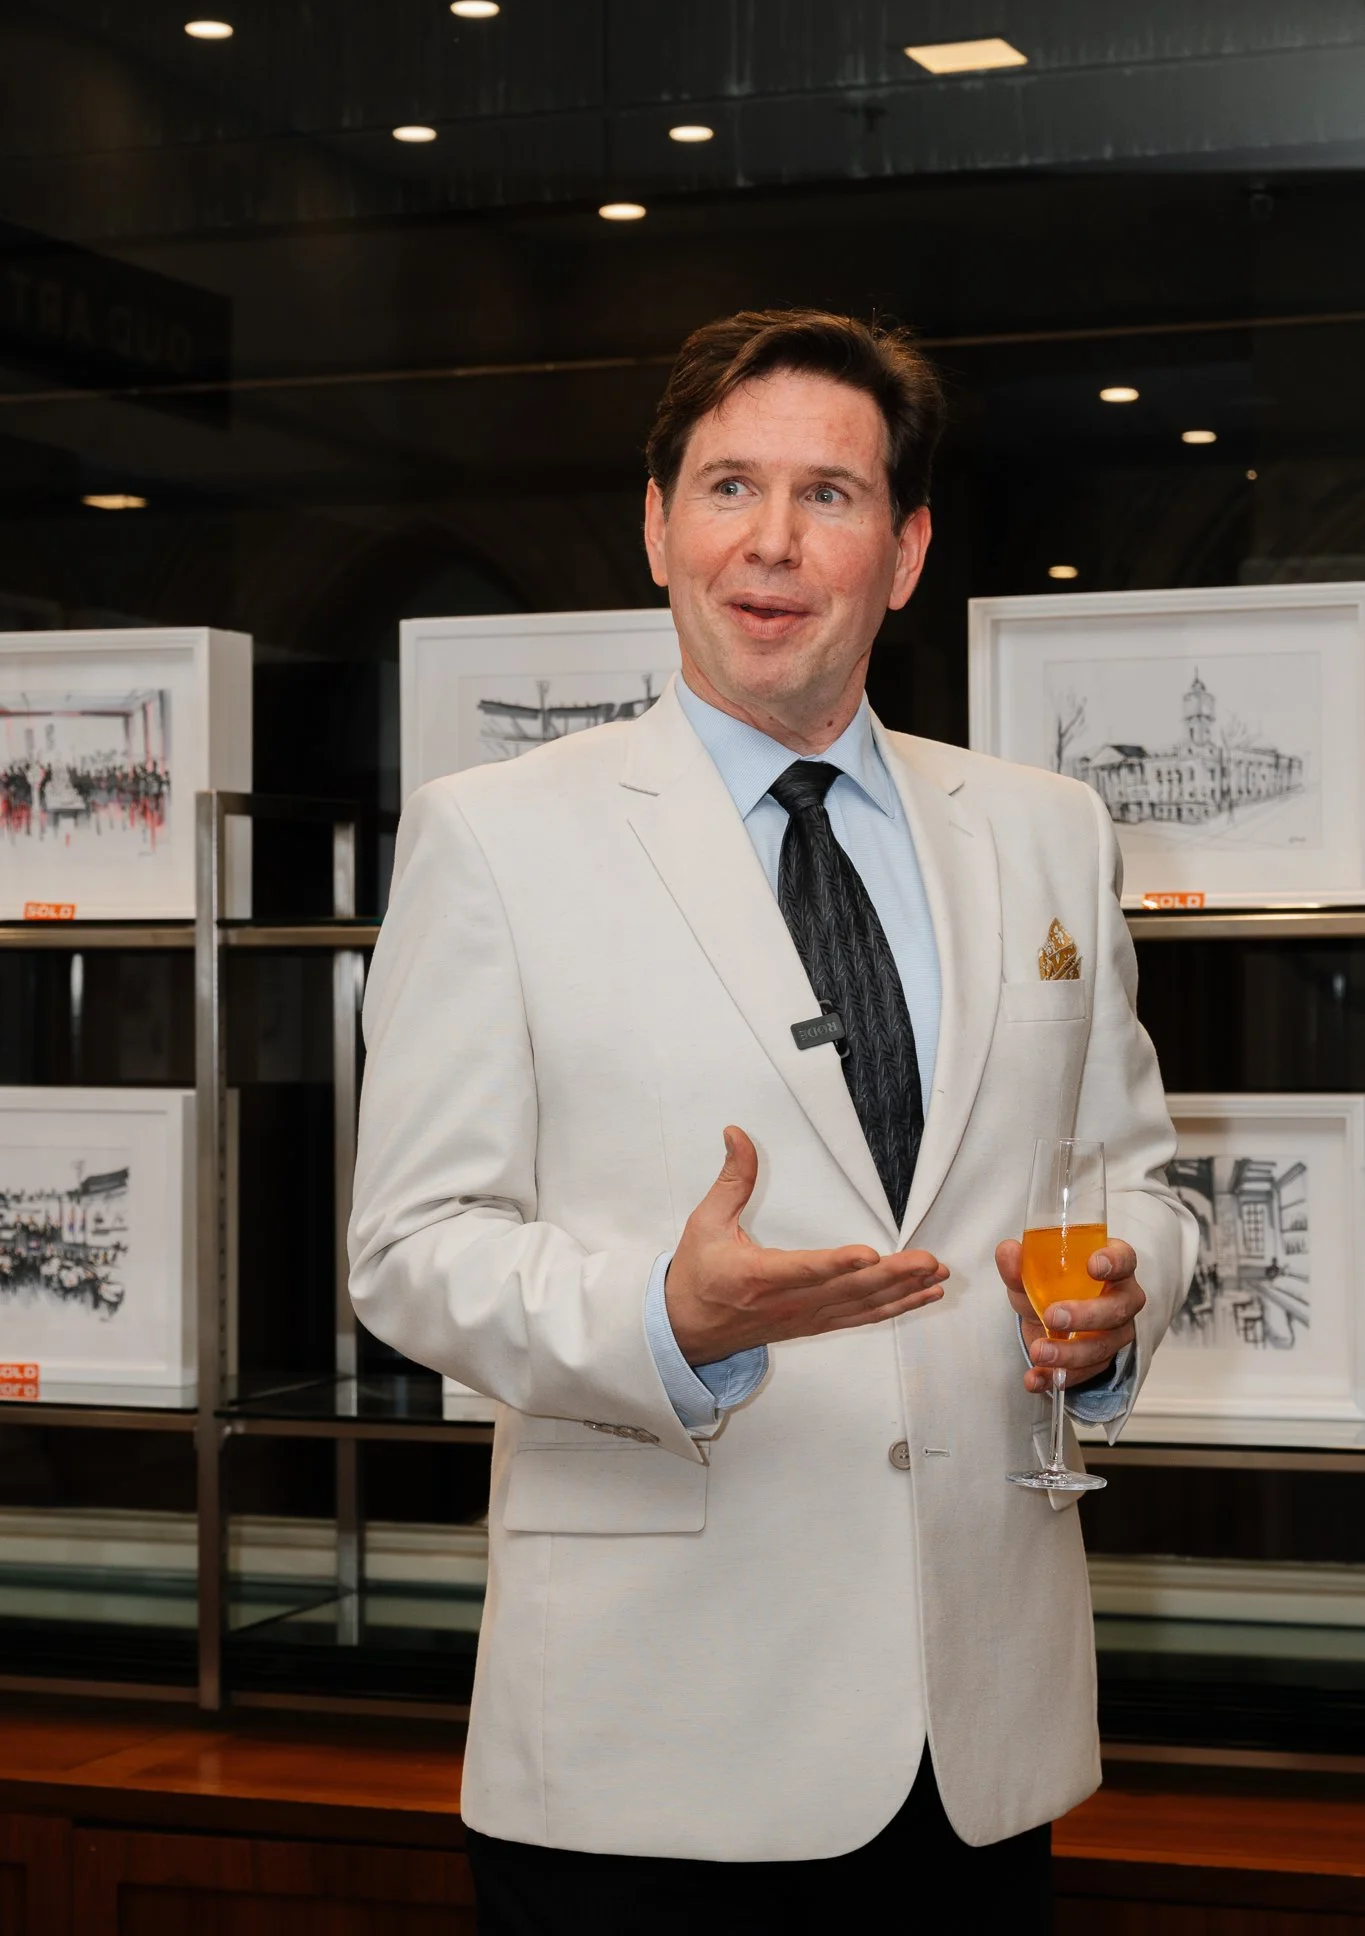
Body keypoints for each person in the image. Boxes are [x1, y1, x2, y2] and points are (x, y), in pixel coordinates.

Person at [348, 308, 1194, 1931]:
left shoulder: (1048, 834)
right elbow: (408, 1253)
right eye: (730, 485)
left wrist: (1118, 1299)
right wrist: (666, 1317)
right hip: (646, 1751)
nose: (776, 540)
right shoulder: (495, 839)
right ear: (658, 524)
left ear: (908, 546)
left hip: (977, 1746)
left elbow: (1134, 1181)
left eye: (833, 494)